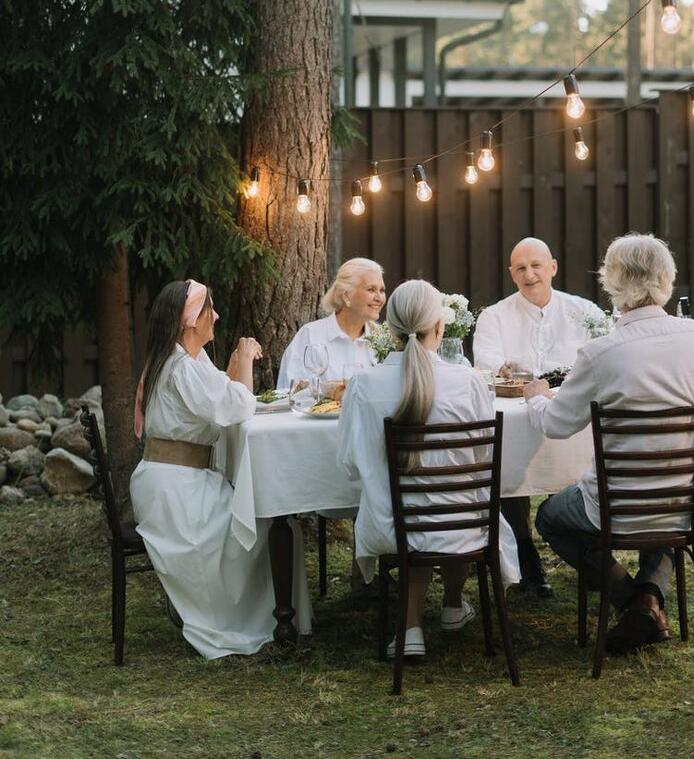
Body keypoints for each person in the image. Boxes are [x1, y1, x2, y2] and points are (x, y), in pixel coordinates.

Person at [524, 233, 694, 654]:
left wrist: (536, 399)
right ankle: (650, 601)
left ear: (611, 281)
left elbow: (558, 425)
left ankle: (631, 600)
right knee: (667, 517)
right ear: (666, 280)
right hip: (683, 501)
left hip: (614, 506)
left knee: (549, 518)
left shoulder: (601, 353)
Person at [338, 279, 520, 660]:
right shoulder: (468, 381)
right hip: (463, 527)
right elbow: (481, 461)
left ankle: (411, 630)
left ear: (390, 330)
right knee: (458, 497)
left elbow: (350, 465)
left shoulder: (363, 385)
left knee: (416, 509)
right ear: (439, 327)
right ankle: (453, 605)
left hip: (392, 527)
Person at [130, 279, 311, 658]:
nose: (216, 315)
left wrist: (233, 370)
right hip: (174, 490)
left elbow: (225, 395)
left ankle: (271, 617)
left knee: (275, 521)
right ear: (189, 321)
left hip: (187, 480)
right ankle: (243, 620)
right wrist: (243, 362)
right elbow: (236, 407)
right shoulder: (179, 366)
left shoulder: (191, 360)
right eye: (209, 309)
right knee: (263, 524)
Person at [473, 236, 605, 597]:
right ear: (511, 274)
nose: (530, 274)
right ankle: (527, 563)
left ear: (553, 267)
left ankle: (592, 560)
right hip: (517, 420)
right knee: (509, 469)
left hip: (571, 418)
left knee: (581, 461)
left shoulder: (586, 312)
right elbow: (488, 367)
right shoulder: (494, 316)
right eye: (521, 268)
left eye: (536, 266)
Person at [276, 257, 385, 393]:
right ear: (346, 295)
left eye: (382, 290)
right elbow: (288, 392)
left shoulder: (382, 341)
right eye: (371, 289)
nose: (379, 298)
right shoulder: (310, 335)